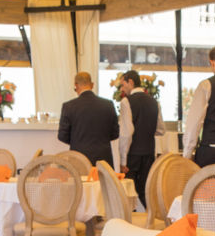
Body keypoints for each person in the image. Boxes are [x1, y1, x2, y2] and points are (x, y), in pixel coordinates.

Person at [57, 71, 119, 167]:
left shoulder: (68, 106)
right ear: (92, 85)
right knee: (102, 177)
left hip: (79, 157)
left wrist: (77, 141)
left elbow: (62, 136)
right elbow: (115, 133)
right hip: (103, 158)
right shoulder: (108, 105)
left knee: (80, 177)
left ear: (76, 85)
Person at [116, 70, 160, 203]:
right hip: (149, 153)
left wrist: (123, 161)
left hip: (133, 155)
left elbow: (126, 133)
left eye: (123, 85)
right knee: (145, 192)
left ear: (130, 82)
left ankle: (131, 216)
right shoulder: (154, 101)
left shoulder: (126, 101)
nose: (122, 89)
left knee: (129, 193)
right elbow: (161, 129)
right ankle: (150, 214)